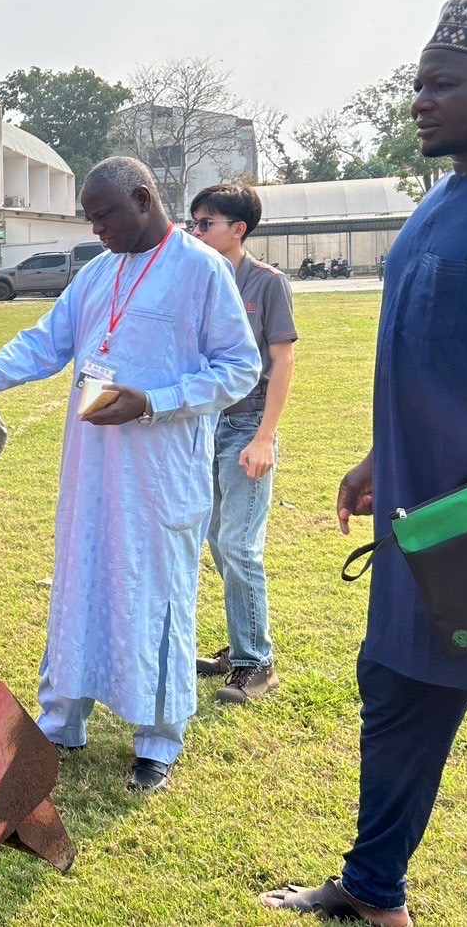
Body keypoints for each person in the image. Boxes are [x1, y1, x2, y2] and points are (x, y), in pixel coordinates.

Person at [263, 0, 467, 926]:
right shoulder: (441, 196)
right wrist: (378, 453)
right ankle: (371, 890)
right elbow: (446, 352)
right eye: (416, 83)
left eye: (442, 84)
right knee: (395, 707)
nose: (418, 102)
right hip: (418, 531)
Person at [0, 157, 258, 791]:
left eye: (104, 216)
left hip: (159, 474)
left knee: (155, 593)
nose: (96, 229)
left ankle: (158, 738)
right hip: (91, 470)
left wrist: (153, 401)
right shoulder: (98, 272)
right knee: (80, 582)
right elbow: (41, 345)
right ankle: (61, 720)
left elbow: (239, 367)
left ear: (143, 198)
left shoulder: (201, 269)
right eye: (90, 219)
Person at [188, 183, 298, 704]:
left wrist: (264, 437)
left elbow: (283, 360)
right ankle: (239, 649)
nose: (195, 232)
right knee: (217, 539)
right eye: (193, 223)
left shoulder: (266, 283)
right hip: (203, 424)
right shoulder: (197, 279)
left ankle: (257, 663)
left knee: (239, 544)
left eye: (205, 223)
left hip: (246, 425)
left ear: (238, 229)